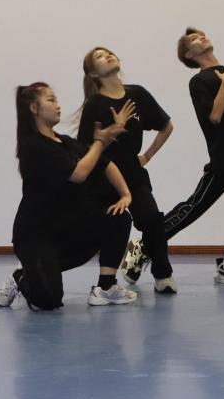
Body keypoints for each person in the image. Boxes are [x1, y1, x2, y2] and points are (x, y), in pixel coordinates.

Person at [0, 82, 137, 310]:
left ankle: (106, 287)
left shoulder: (67, 143)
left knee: (118, 218)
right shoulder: (34, 146)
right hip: (36, 236)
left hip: (69, 232)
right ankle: (21, 277)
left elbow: (104, 163)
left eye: (57, 100)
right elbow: (78, 174)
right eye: (51, 100)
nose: (58, 105)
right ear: (34, 108)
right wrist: (100, 141)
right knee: (48, 300)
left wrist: (125, 195)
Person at [73, 48, 178, 294]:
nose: (107, 56)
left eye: (108, 52)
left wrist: (147, 156)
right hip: (102, 178)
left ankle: (163, 274)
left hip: (132, 174)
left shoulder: (137, 94)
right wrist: (114, 129)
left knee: (152, 219)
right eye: (99, 56)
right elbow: (85, 150)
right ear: (93, 73)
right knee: (105, 227)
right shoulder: (95, 104)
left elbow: (166, 126)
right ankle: (106, 283)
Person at [166, 27, 224, 285]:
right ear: (188, 55)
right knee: (195, 206)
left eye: (201, 35)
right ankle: (149, 241)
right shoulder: (200, 81)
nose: (201, 38)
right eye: (193, 39)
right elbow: (214, 117)